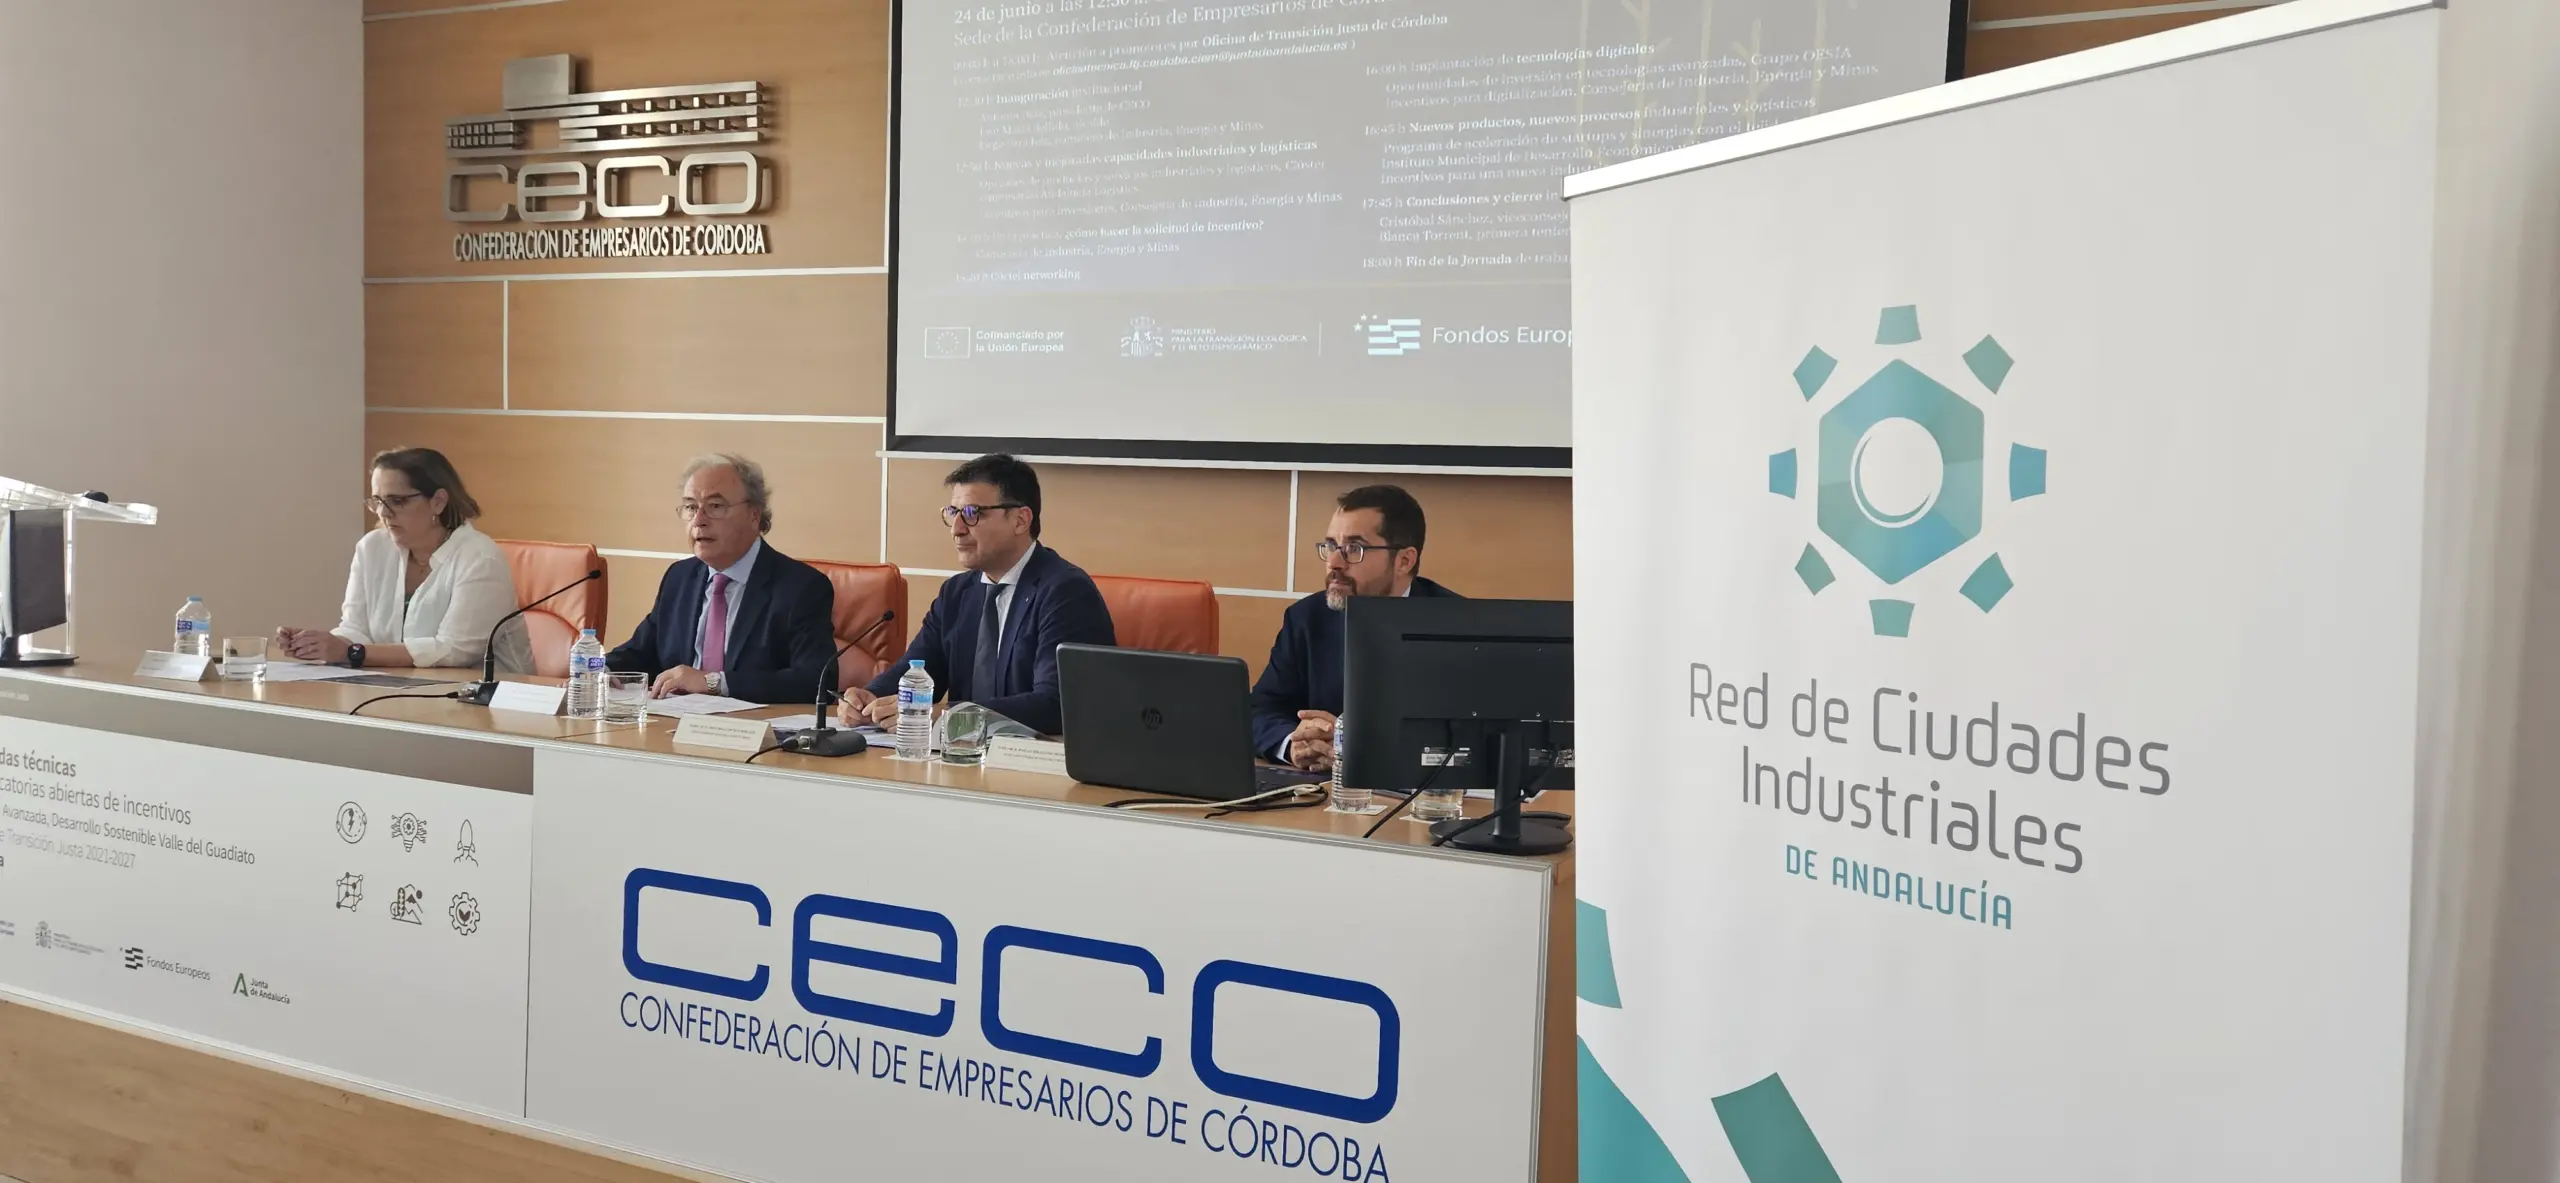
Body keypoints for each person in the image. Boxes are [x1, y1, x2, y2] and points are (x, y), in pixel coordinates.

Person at [840, 454, 1113, 735]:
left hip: (1033, 754)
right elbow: (918, 670)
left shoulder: (1065, 592)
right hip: (960, 753)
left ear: (1021, 520)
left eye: (972, 513)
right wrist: (871, 698)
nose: (957, 529)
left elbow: (1056, 704)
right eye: (952, 512)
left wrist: (950, 716)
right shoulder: (957, 593)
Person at [1251, 485, 1459, 771]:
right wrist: (1294, 744)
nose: (1334, 563)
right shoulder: (1306, 619)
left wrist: (1360, 745)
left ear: (1404, 561)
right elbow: (1259, 710)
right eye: (1331, 546)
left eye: (1354, 549)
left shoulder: (1458, 625)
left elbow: (1467, 738)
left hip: (1414, 791)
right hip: (1322, 787)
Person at [276, 448, 531, 673]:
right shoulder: (372, 548)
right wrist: (320, 645)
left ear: (438, 502)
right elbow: (356, 629)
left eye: (397, 501)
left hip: (490, 697)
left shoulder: (480, 558)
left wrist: (352, 652)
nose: (383, 513)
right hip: (400, 687)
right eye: (377, 502)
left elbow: (455, 650)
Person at [606, 454, 836, 704]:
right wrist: (600, 670)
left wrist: (714, 682)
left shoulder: (801, 587)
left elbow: (816, 681)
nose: (699, 520)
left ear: (754, 515)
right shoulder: (680, 577)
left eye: (715, 506)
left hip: (753, 725)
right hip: (674, 721)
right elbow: (640, 652)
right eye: (691, 507)